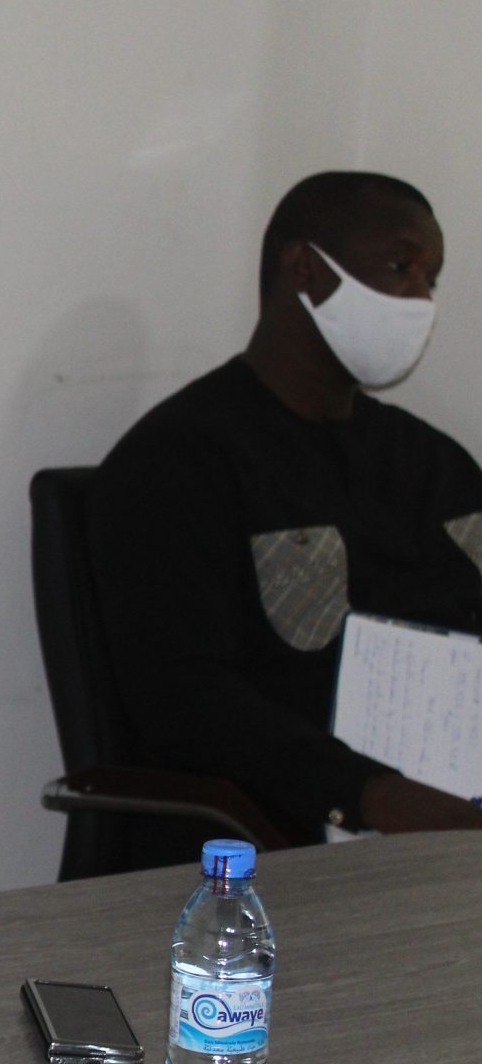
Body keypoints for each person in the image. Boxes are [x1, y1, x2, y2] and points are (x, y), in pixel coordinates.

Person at [89, 172, 482, 844]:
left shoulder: (435, 464)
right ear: (305, 269)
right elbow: (181, 696)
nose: (420, 299)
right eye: (401, 268)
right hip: (277, 834)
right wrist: (365, 793)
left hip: (449, 816)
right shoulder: (180, 460)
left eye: (431, 279)